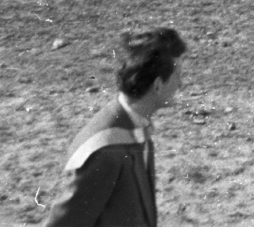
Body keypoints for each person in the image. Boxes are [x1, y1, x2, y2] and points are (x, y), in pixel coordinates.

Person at [44, 27, 187, 227]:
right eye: (177, 75)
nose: (181, 83)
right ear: (157, 85)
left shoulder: (135, 126)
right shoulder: (105, 152)